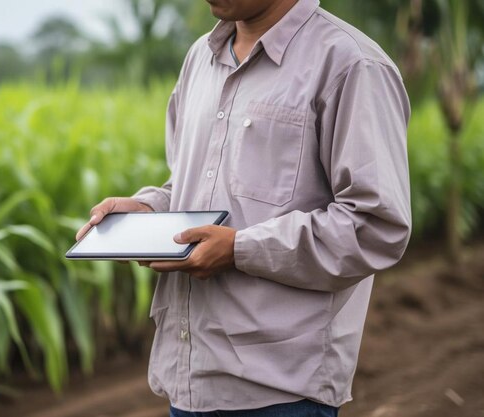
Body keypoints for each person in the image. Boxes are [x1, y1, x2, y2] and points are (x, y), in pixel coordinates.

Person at [76, 0, 411, 415]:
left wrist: (239, 250)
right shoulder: (201, 58)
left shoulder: (350, 64)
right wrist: (150, 209)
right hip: (189, 378)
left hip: (281, 391)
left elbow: (375, 225)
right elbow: (193, 183)